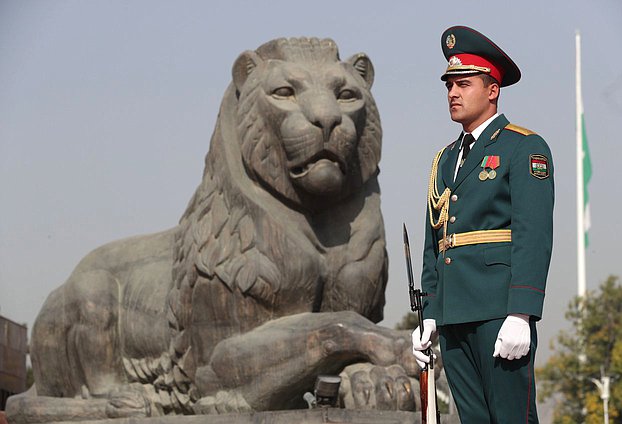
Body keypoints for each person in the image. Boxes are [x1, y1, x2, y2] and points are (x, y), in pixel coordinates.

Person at [411, 26, 554, 423]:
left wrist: (522, 312)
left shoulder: (523, 147)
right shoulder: (444, 159)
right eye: (449, 85)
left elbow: (533, 234)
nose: (453, 93)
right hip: (454, 315)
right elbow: (436, 244)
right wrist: (429, 314)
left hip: (499, 311)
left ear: (492, 90)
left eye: (464, 83)